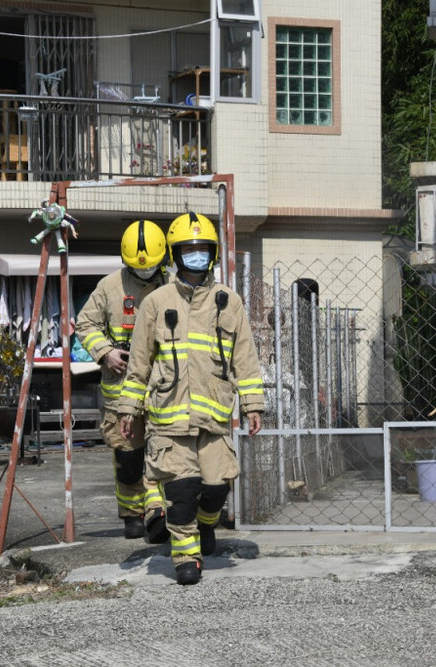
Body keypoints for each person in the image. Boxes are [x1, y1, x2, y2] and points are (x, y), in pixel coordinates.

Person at [117, 212, 264, 585]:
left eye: (202, 248)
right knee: (181, 492)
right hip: (168, 418)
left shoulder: (228, 302)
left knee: (215, 488)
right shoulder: (156, 302)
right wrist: (128, 409)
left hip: (213, 418)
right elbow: (139, 365)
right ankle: (186, 557)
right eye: (189, 248)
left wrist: (253, 404)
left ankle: (207, 523)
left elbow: (244, 358)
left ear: (212, 253)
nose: (196, 254)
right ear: (176, 253)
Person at [75, 220, 171, 541]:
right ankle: (132, 514)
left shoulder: (172, 286)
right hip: (120, 391)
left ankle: (163, 512)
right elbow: (84, 325)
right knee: (128, 457)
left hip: (164, 389)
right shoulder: (109, 287)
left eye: (151, 266)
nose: (144, 271)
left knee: (166, 453)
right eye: (136, 267)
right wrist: (105, 353)